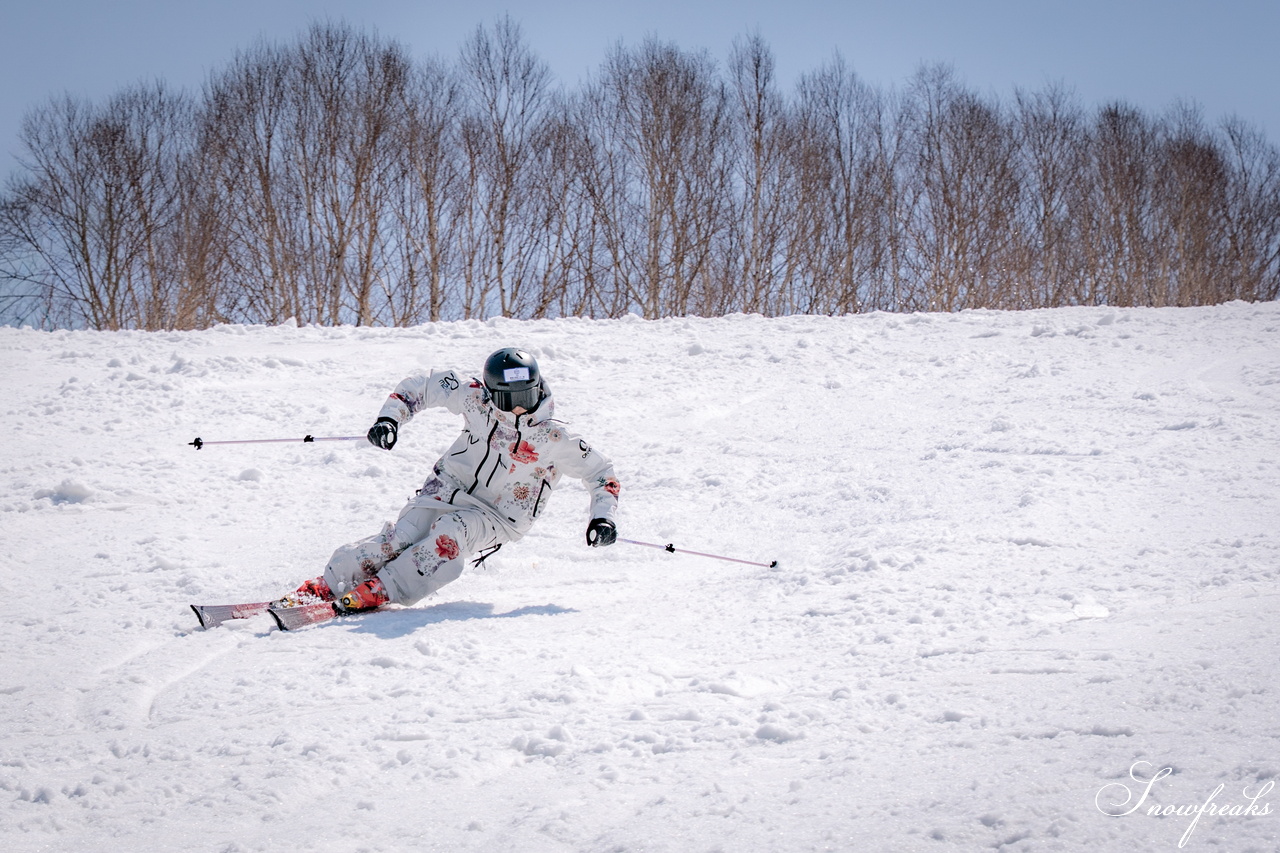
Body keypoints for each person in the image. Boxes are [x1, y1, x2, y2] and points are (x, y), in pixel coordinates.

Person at [283, 347, 621, 613]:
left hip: (499, 515)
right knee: (399, 538)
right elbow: (424, 386)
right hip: (446, 487)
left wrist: (603, 517)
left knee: (450, 533)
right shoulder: (475, 398)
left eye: (525, 398)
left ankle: (385, 588)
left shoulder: (553, 437)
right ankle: (330, 583)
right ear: (491, 393)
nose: (519, 409)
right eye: (509, 400)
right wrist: (389, 420)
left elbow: (601, 474)